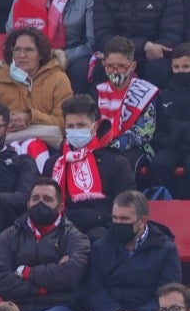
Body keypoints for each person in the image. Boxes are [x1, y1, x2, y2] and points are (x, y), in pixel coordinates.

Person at [68, 190, 182, 311]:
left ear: (142, 220)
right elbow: (94, 291)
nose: (118, 224)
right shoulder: (100, 246)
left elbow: (169, 295)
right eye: (115, 219)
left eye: (124, 219)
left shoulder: (166, 249)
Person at [0, 180, 89, 311]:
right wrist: (41, 287)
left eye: (47, 199)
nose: (40, 203)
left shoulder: (75, 237)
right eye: (35, 198)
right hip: (18, 308)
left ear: (61, 206)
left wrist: (26, 273)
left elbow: (70, 274)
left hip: (62, 307)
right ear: (28, 204)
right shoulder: (7, 237)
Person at [51, 95, 137, 240]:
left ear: (94, 126)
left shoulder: (116, 162)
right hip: (62, 233)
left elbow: (128, 203)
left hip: (104, 234)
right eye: (70, 126)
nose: (75, 130)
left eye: (81, 125)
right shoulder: (55, 165)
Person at [147, 43, 190, 199]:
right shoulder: (164, 95)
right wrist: (164, 141)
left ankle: (187, 203)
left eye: (186, 67)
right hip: (172, 147)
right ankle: (166, 202)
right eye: (176, 67)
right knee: (158, 164)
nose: (180, 71)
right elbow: (157, 128)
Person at [0, 26, 71, 146]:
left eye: (29, 50)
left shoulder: (59, 79)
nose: (22, 55)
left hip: (47, 145)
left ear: (41, 54)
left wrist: (30, 117)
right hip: (9, 144)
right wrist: (6, 120)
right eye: (17, 50)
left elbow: (64, 122)